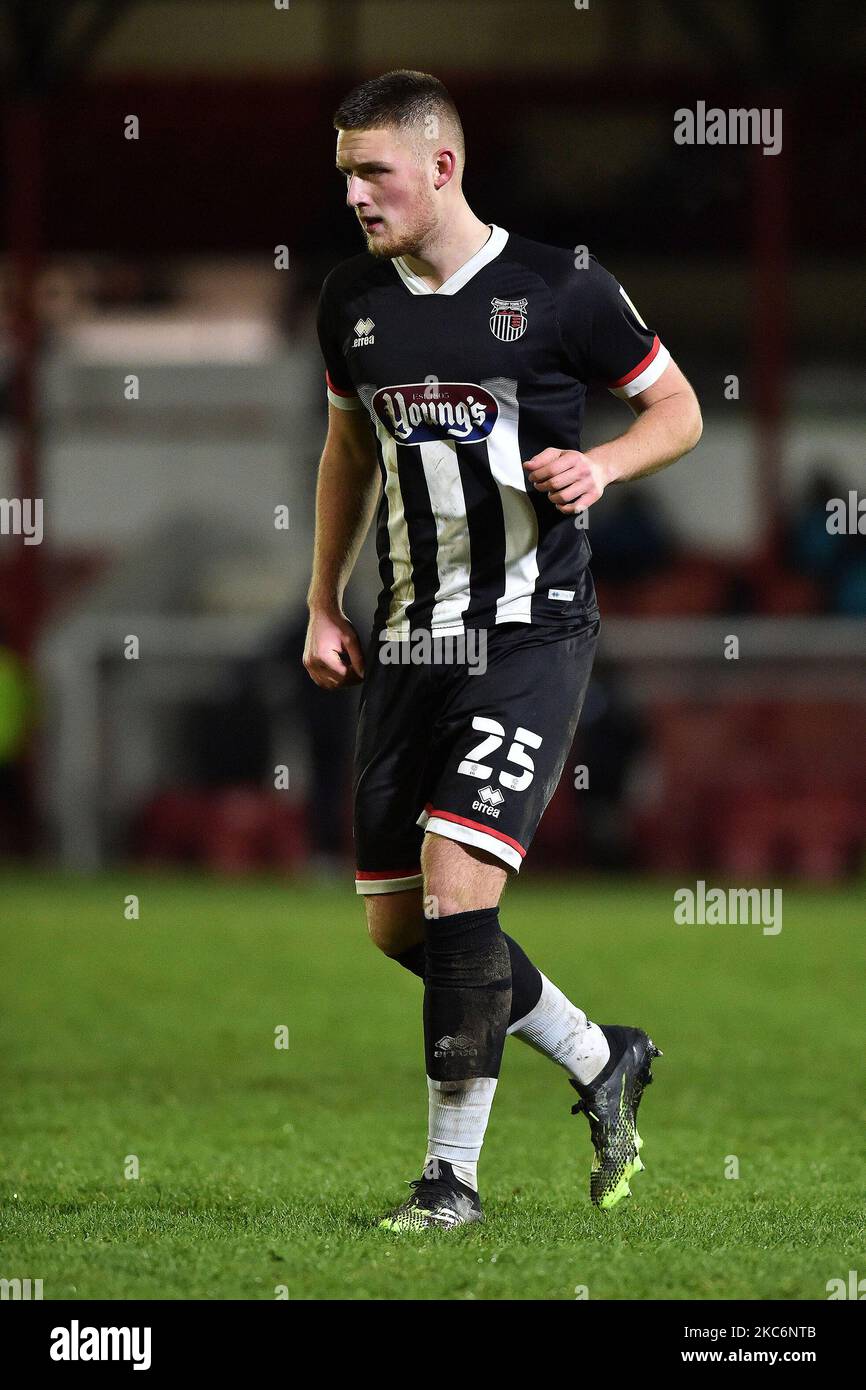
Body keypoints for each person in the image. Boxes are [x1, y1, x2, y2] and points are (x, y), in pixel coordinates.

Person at [304, 71, 702, 1230]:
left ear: (441, 167)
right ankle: (597, 1055)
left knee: (456, 886)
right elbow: (345, 451)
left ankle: (449, 1181)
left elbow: (673, 406)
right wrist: (323, 599)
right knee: (400, 927)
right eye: (343, 174)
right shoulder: (350, 302)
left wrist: (605, 467)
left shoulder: (559, 286)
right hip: (407, 639)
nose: (354, 195)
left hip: (531, 631)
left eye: (372, 172)